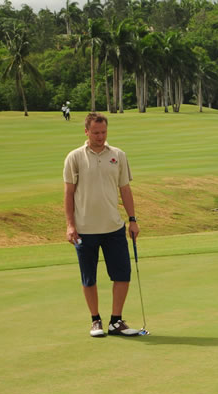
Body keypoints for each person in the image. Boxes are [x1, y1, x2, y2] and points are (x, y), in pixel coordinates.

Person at [64, 112, 141, 337]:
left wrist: (133, 219)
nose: (100, 136)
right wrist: (70, 225)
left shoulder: (118, 155)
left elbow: (125, 189)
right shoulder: (75, 157)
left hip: (113, 227)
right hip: (84, 229)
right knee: (89, 277)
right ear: (86, 132)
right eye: (96, 132)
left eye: (103, 132)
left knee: (122, 275)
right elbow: (68, 193)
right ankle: (95, 320)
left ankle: (116, 321)